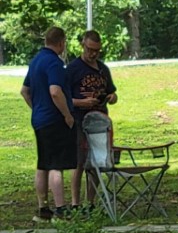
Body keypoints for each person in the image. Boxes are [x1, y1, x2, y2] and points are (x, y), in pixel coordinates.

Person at [20, 26, 77, 221]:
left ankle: (43, 209)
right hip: (55, 120)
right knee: (56, 164)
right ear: (61, 42)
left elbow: (24, 91)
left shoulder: (35, 61)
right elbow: (55, 91)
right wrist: (67, 114)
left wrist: (36, 108)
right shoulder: (54, 63)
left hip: (39, 120)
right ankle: (60, 209)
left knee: (43, 163)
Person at [66, 30, 118, 209]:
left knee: (97, 161)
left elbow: (113, 92)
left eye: (97, 50)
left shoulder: (103, 69)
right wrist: (82, 102)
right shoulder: (73, 69)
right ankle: (75, 203)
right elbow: (63, 98)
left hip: (100, 121)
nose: (93, 53)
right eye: (90, 49)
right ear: (83, 45)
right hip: (80, 120)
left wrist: (112, 97)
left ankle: (91, 203)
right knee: (79, 162)